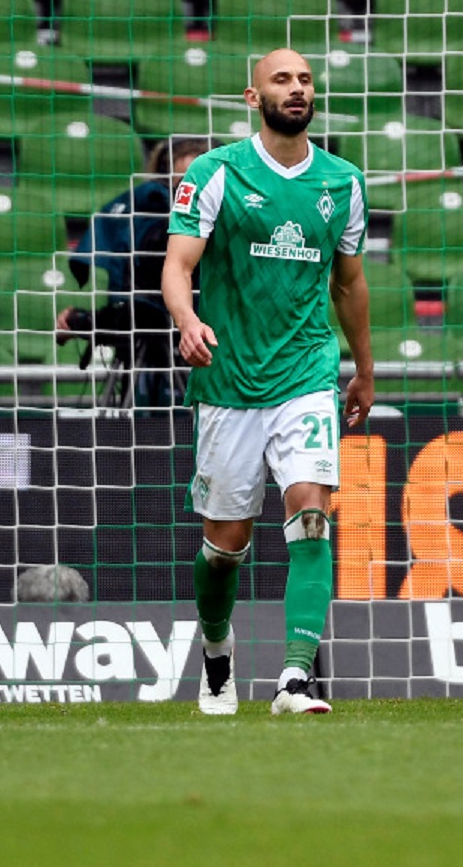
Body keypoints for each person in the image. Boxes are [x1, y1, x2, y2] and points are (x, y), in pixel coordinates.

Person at [162, 48, 374, 716]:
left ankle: (293, 679)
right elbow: (177, 263)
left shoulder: (342, 182)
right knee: (226, 546)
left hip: (307, 371)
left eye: (305, 79)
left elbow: (349, 282)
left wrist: (365, 365)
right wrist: (187, 318)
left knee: (312, 513)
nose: (297, 88)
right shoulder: (215, 172)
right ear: (253, 98)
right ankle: (218, 650)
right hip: (228, 378)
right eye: (282, 79)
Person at [58, 137, 211, 407]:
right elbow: (131, 314)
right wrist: (79, 322)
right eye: (180, 183)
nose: (186, 194)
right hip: (140, 325)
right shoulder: (142, 210)